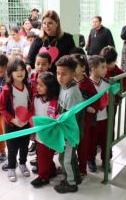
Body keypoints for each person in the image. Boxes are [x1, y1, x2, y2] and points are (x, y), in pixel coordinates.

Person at [0, 58, 33, 182]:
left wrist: (27, 118)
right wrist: (13, 120)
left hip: (25, 124)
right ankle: (11, 167)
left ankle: (23, 164)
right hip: (12, 125)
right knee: (12, 148)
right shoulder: (7, 89)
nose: (20, 72)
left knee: (24, 146)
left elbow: (31, 105)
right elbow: (1, 108)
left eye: (22, 69)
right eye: (16, 70)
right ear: (10, 72)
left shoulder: (29, 87)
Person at [54, 55, 83, 193]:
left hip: (70, 133)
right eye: (58, 73)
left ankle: (71, 183)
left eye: (63, 74)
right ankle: (75, 177)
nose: (60, 77)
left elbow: (71, 118)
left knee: (66, 159)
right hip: (65, 131)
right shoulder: (64, 87)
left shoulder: (72, 92)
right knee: (68, 157)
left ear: (73, 74)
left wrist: (65, 134)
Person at [30, 72, 60, 188]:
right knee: (43, 155)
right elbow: (32, 115)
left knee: (43, 156)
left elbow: (56, 118)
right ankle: (51, 171)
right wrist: (32, 132)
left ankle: (43, 177)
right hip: (38, 134)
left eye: (41, 85)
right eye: (37, 84)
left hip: (49, 135)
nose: (38, 87)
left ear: (50, 87)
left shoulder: (54, 101)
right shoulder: (36, 99)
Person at [72, 54, 99, 178]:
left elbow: (96, 101)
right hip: (72, 121)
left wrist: (90, 107)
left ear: (83, 68)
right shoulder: (70, 81)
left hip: (85, 121)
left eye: (74, 66)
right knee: (71, 145)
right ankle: (71, 166)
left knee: (83, 146)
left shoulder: (88, 84)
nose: (71, 69)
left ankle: (82, 169)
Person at [27, 10, 76, 74]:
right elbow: (30, 59)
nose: (46, 26)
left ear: (57, 23)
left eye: (50, 23)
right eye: (44, 23)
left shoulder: (68, 38)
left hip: (61, 77)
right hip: (42, 78)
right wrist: (28, 66)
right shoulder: (38, 39)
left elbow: (72, 59)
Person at [88, 55, 110, 173]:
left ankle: (105, 159)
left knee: (105, 140)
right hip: (92, 120)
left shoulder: (107, 83)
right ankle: (90, 160)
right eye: (102, 67)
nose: (106, 69)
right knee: (92, 141)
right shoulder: (87, 84)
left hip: (105, 118)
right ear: (93, 69)